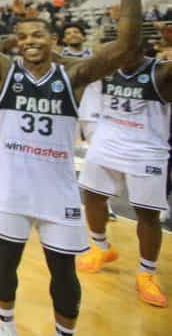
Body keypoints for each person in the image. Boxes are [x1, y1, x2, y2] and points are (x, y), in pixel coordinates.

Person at [0, 0, 146, 336]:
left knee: (64, 274)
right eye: (23, 36)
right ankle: (6, 327)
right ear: (16, 42)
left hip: (58, 193)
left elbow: (125, 47)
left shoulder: (74, 74)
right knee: (5, 266)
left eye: (38, 34)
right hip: (10, 190)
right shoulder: (4, 68)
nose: (31, 41)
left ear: (52, 40)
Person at [76, 41, 170, 308]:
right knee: (92, 196)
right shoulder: (106, 70)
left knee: (147, 214)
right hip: (107, 142)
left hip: (146, 149)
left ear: (140, 49)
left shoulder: (160, 72)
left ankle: (146, 272)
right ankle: (101, 248)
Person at [59, 24, 102, 142]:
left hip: (91, 106)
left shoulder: (96, 54)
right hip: (67, 105)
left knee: (96, 143)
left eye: (76, 32)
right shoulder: (58, 56)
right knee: (71, 145)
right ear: (64, 39)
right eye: (68, 33)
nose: (72, 34)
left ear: (84, 37)